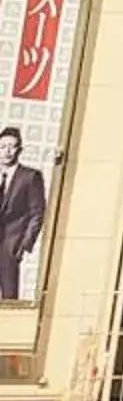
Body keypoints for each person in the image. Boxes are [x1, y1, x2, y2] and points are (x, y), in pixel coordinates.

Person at [0, 129, 44, 301]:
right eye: (3, 147)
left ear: (20, 149)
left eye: (12, 146)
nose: (7, 151)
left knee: (9, 297)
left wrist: (24, 244)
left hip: (11, 246)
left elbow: (37, 213)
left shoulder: (30, 177)